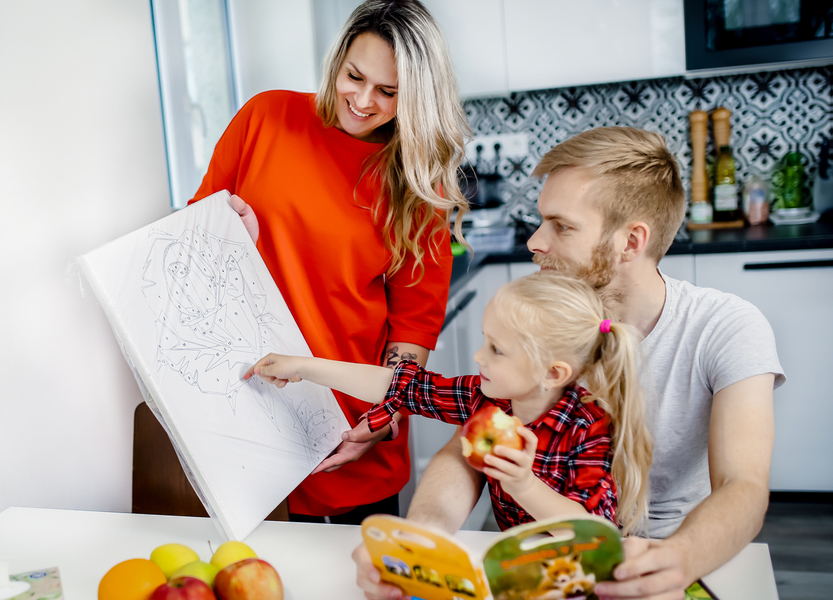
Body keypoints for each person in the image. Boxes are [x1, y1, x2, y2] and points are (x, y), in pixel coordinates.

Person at [352, 127, 784, 600]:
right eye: (542, 221)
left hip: (668, 556)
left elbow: (742, 486)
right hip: (537, 562)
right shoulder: (541, 317)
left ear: (631, 241)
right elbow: (469, 448)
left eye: (561, 226)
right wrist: (421, 540)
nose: (535, 242)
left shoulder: (725, 327)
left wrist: (680, 558)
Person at [189, 0, 472, 524]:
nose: (362, 101)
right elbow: (194, 243)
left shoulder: (417, 184)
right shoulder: (266, 118)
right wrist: (229, 235)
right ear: (337, 60)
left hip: (349, 427)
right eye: (354, 76)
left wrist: (381, 419)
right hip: (244, 413)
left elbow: (412, 329)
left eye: (388, 92)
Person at [245, 271, 653, 534]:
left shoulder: (589, 426)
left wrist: (523, 485)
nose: (479, 356)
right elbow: (398, 385)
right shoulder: (488, 400)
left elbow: (594, 533)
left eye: (496, 349)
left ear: (553, 373)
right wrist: (305, 366)